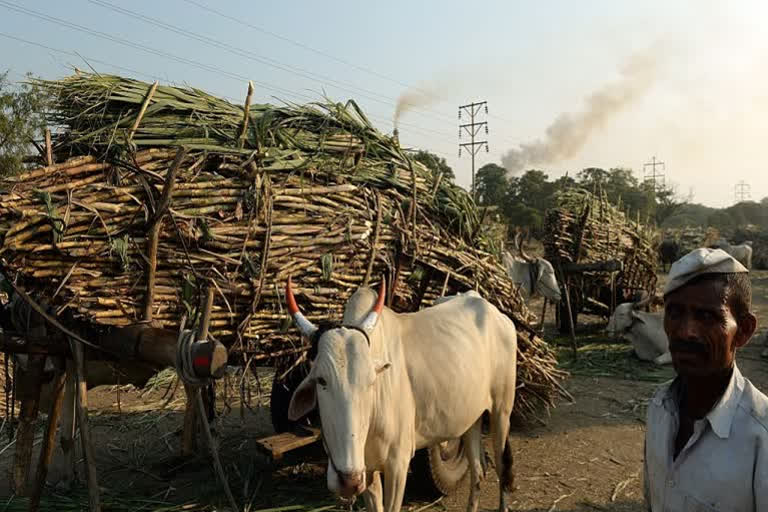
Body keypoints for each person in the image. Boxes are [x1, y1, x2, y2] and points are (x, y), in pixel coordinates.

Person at [643, 248, 768, 511]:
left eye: (707, 316)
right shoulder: (659, 407)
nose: (686, 332)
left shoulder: (761, 436)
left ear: (744, 331)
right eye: (675, 313)